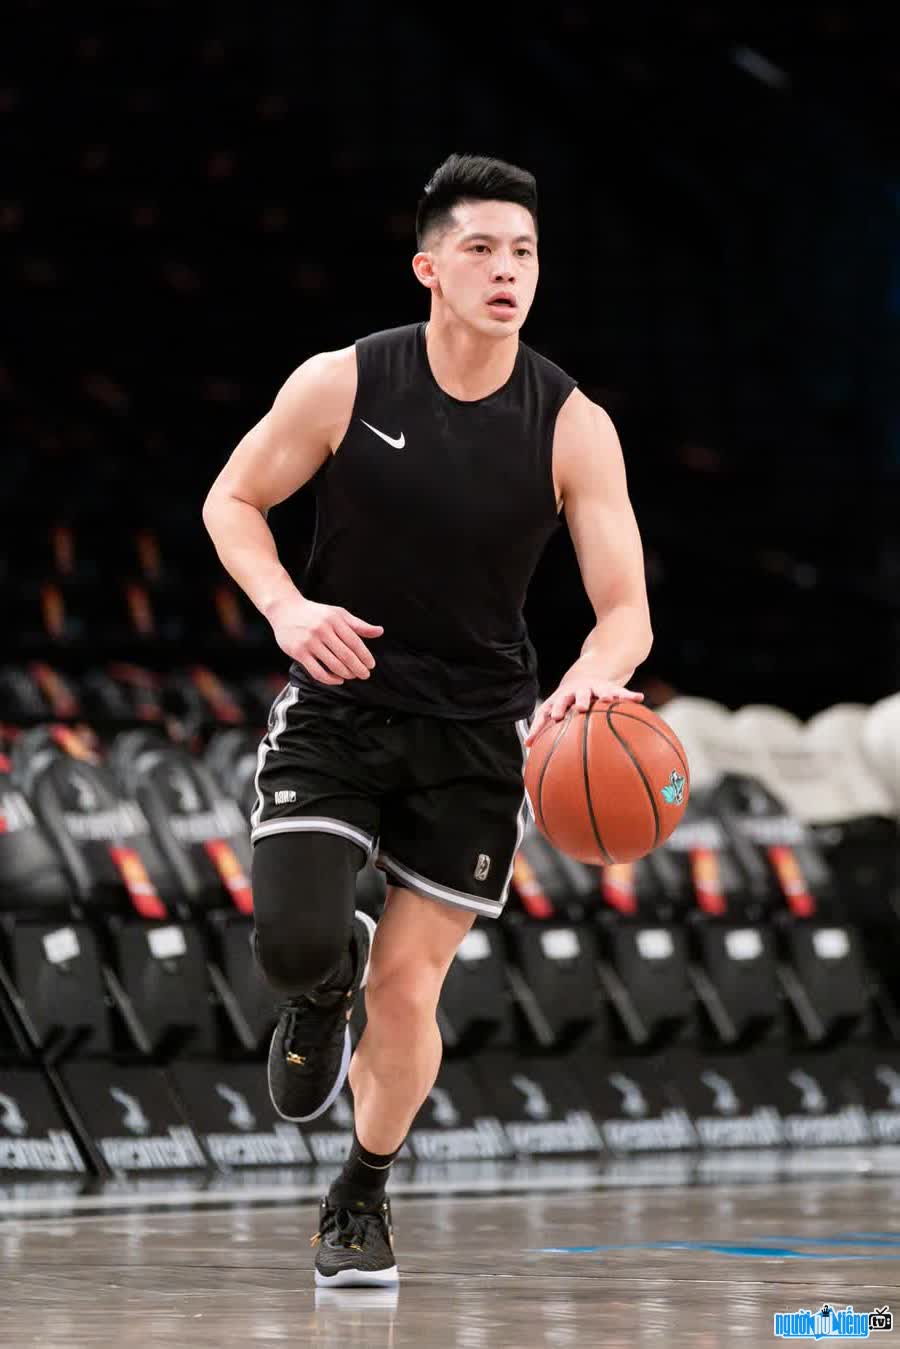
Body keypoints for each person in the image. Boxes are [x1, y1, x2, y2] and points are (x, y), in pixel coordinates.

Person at [202, 152, 653, 1286]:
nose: (509, 270)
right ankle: (317, 990)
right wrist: (285, 604)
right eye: (482, 249)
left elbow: (627, 612)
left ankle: (360, 1191)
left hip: (473, 739)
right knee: (302, 941)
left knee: (410, 988)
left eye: (526, 251)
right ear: (429, 268)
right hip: (342, 708)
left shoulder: (571, 420)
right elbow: (233, 499)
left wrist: (590, 678)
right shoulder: (344, 382)